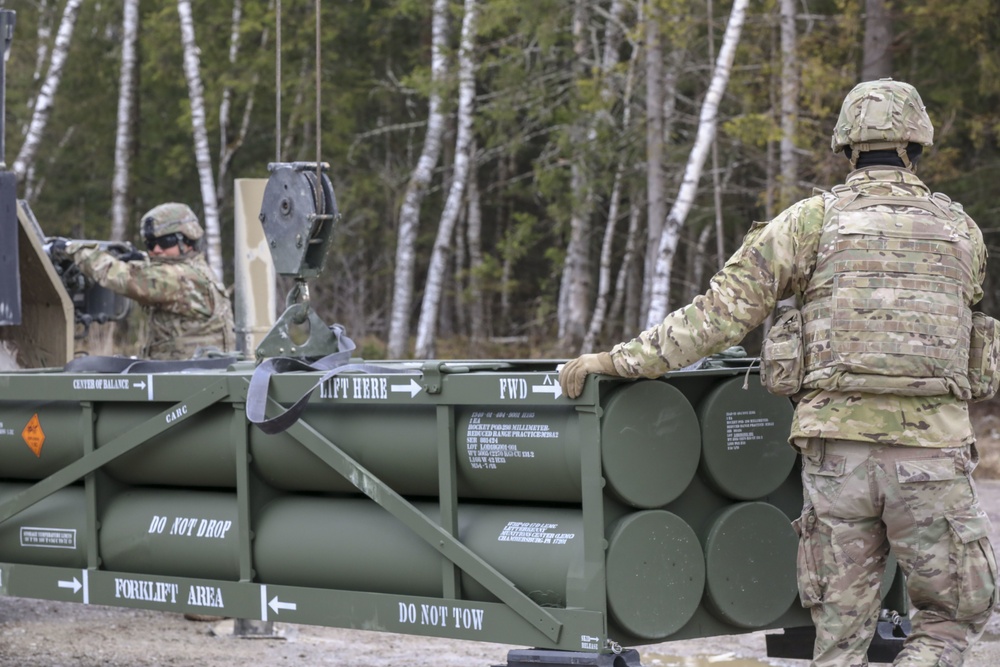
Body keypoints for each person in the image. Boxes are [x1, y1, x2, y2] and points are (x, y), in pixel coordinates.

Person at [559, 79, 998, 667]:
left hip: (835, 459)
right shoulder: (961, 231)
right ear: (918, 144)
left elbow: (716, 316)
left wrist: (615, 361)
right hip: (933, 454)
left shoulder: (809, 222)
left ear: (847, 147)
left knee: (840, 636)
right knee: (950, 620)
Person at [55, 203, 235, 360]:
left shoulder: (180, 279)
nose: (156, 249)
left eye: (165, 241)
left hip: (184, 382)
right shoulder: (198, 270)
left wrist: (73, 250)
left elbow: (120, 277)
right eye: (150, 244)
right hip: (194, 375)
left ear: (188, 240)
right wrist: (138, 258)